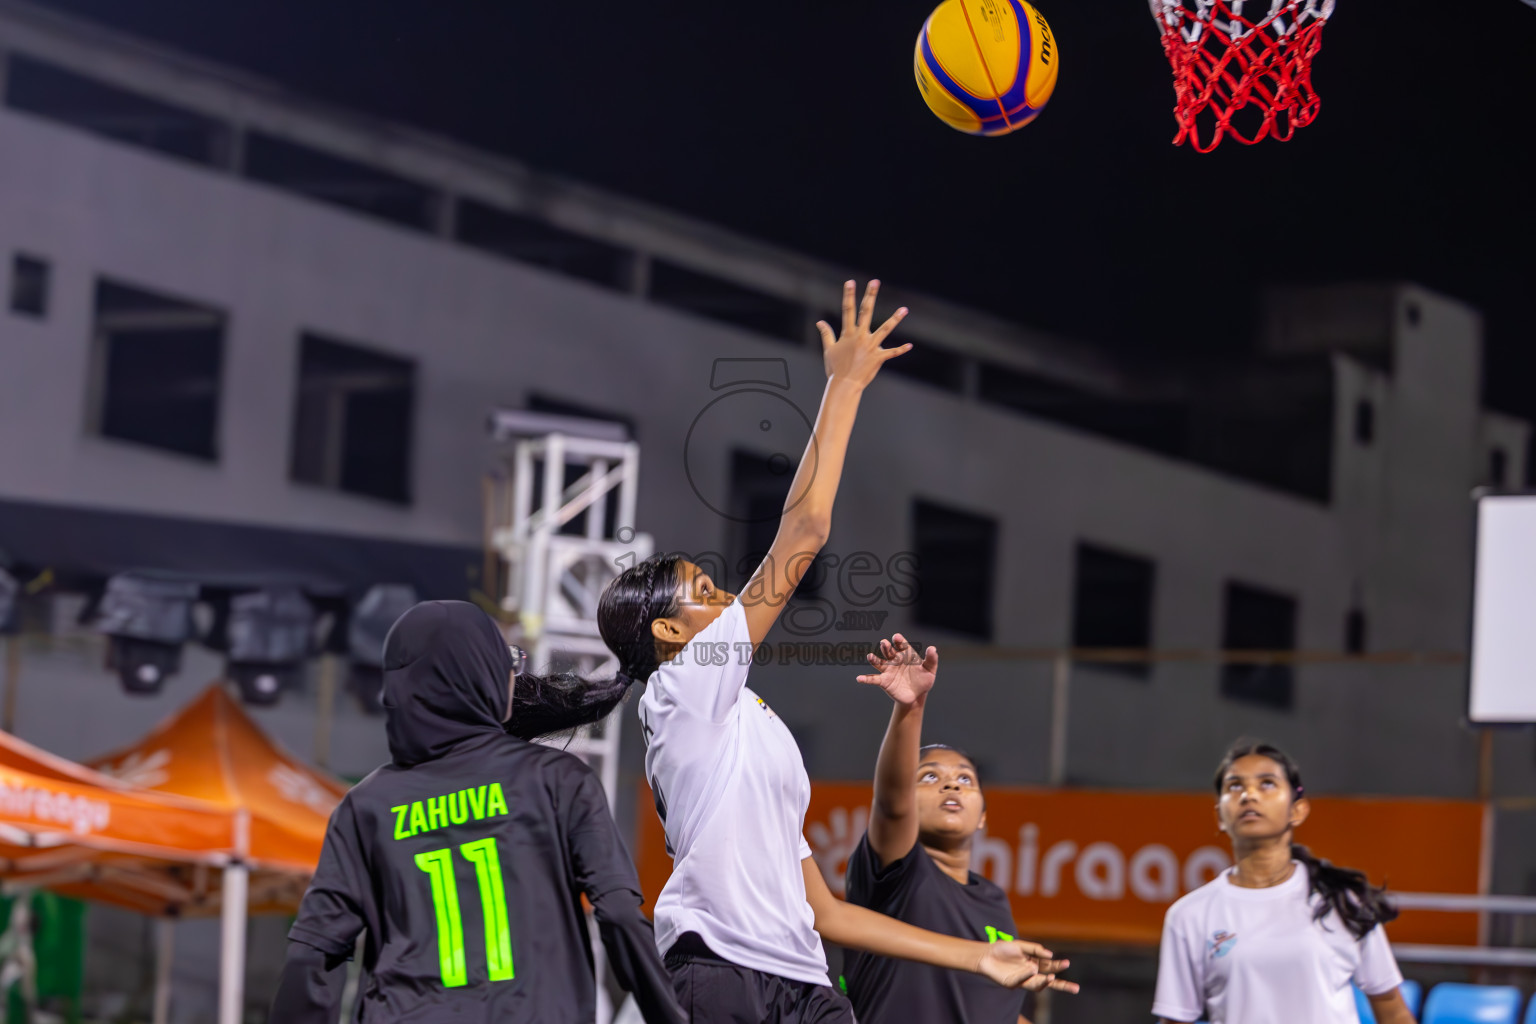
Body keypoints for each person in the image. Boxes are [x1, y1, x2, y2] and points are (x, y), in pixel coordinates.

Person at [596, 280, 1072, 1023]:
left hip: (804, 983)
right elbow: (806, 532)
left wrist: (977, 954)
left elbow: (825, 910)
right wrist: (845, 385)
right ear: (666, 632)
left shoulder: (747, 723)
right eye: (704, 588)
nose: (724, 594)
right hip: (719, 973)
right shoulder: (681, 688)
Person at [269, 600, 684, 1023]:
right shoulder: (559, 782)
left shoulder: (367, 806)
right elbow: (617, 916)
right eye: (508, 662)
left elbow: (313, 958)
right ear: (482, 676)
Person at [842, 634, 1077, 1024]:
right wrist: (911, 708)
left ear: (983, 815)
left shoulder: (994, 900)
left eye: (966, 779)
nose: (952, 785)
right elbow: (892, 804)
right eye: (929, 776)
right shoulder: (898, 872)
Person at [1152, 740, 1416, 1024]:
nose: (1248, 795)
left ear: (1297, 811)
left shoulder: (1341, 899)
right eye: (1235, 786)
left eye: (1267, 783)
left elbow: (1392, 1009)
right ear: (1219, 816)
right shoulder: (1188, 916)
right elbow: (1176, 1020)